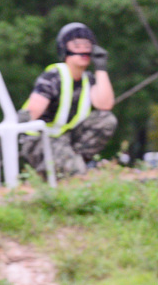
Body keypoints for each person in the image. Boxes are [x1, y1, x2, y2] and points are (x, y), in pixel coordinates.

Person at [19, 23, 117, 179]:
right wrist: (21, 119)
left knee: (106, 120)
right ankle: (69, 170)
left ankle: (74, 163)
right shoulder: (54, 76)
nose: (84, 50)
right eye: (77, 46)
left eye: (87, 45)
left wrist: (101, 68)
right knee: (76, 175)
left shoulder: (88, 79)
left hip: (66, 139)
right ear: (65, 49)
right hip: (40, 140)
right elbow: (34, 108)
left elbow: (105, 105)